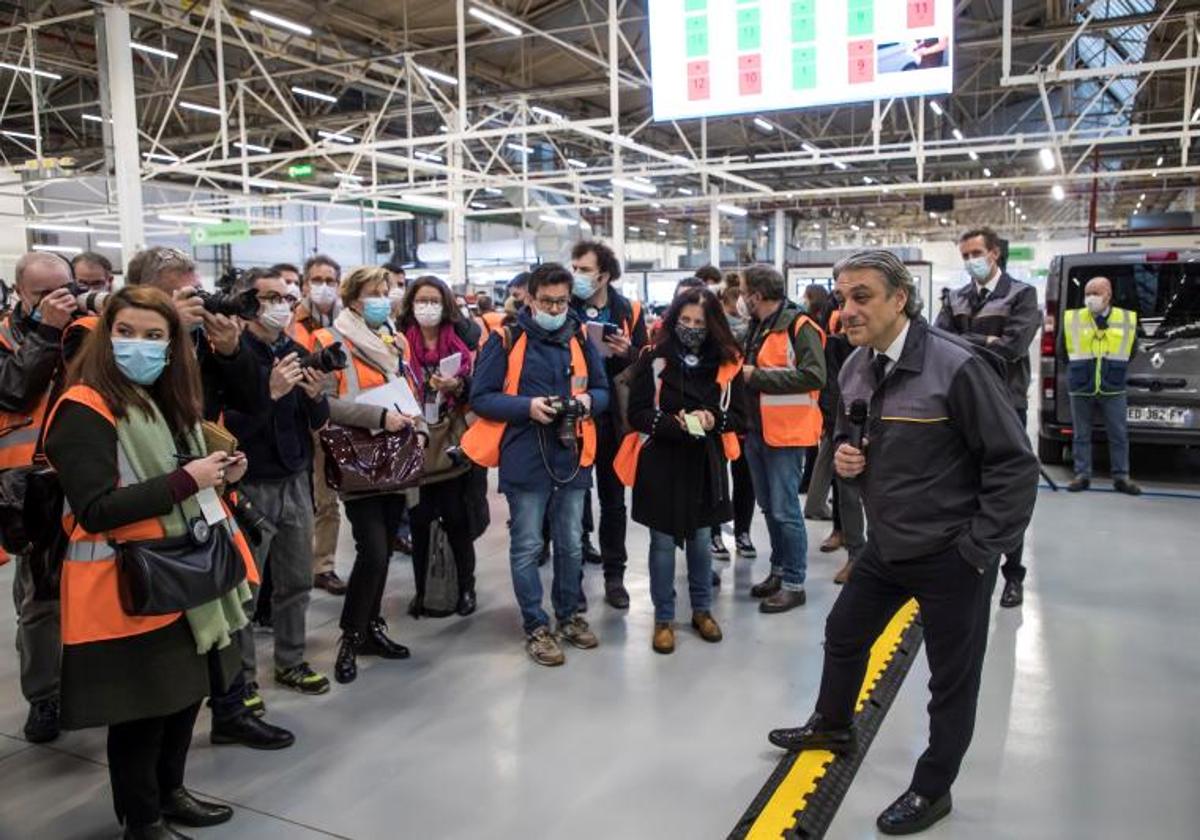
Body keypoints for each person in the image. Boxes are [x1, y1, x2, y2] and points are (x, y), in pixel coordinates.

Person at [767, 251, 1038, 837]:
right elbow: (851, 438)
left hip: (952, 554)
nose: (847, 310)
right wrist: (848, 459)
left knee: (950, 680)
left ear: (900, 299)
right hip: (889, 546)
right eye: (842, 297)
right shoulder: (855, 368)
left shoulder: (957, 366)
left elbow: (1014, 466)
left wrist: (978, 548)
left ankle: (933, 788)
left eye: (861, 296)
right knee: (843, 635)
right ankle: (834, 723)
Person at [44, 285, 261, 840]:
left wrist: (219, 475)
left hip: (185, 573)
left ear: (171, 346)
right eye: (126, 332)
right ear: (105, 334)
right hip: (127, 585)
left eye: (153, 336)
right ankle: (142, 821)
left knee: (183, 699)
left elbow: (183, 474)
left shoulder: (169, 401)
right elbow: (95, 510)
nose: (137, 345)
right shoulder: (83, 407)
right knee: (142, 715)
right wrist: (188, 480)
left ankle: (172, 793)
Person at [465, 262, 609, 667]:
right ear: (529, 298)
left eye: (562, 301)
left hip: (573, 455)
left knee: (570, 544)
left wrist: (587, 404)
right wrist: (527, 407)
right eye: (547, 301)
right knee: (527, 546)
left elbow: (603, 391)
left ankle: (569, 616)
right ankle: (536, 625)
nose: (555, 307)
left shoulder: (579, 336)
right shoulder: (506, 338)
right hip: (525, 456)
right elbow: (482, 397)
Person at [223, 268, 332, 699]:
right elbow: (222, 427)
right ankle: (242, 680)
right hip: (250, 483)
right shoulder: (230, 356)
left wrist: (315, 396)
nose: (280, 306)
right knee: (245, 590)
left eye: (287, 297)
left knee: (296, 581)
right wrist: (267, 393)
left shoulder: (295, 349)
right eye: (269, 297)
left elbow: (318, 422)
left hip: (294, 478)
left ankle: (290, 660)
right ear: (247, 303)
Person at [623, 287, 746, 654]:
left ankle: (702, 610)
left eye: (700, 322)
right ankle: (663, 617)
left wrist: (714, 419)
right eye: (685, 320)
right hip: (661, 460)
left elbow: (740, 416)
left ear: (713, 326)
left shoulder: (728, 362)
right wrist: (675, 424)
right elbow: (638, 413)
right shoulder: (654, 358)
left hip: (704, 463)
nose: (691, 328)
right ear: (674, 320)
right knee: (661, 543)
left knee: (700, 539)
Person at [311, 266, 418, 684]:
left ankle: (372, 628)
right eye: (374, 292)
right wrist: (379, 415)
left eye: (386, 291)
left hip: (393, 455)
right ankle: (351, 636)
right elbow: (322, 402)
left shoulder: (393, 340)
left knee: (384, 549)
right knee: (372, 549)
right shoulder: (327, 341)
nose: (383, 299)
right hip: (355, 457)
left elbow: (407, 387)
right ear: (353, 299)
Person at [936, 227, 1042, 607]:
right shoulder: (956, 297)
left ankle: (1013, 575)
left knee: (1008, 489)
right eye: (964, 255)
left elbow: (1012, 348)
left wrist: (969, 342)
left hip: (1006, 402)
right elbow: (938, 341)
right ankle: (970, 564)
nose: (970, 261)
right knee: (967, 485)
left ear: (995, 253)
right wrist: (988, 342)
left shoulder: (1022, 294)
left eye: (976, 253)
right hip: (962, 404)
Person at [0, 252, 77, 744]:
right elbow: (14, 393)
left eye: (63, 289)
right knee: (41, 599)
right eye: (41, 294)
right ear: (19, 293)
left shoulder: (84, 334)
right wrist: (48, 332)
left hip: (84, 479)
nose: (55, 301)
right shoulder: (7, 338)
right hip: (26, 488)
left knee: (90, 586)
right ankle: (45, 696)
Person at [739, 264, 827, 614]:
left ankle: (794, 582)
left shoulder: (799, 326)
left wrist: (756, 376)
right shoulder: (758, 327)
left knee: (786, 510)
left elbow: (815, 375)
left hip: (786, 434)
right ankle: (778, 570)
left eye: (744, 290)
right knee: (770, 508)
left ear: (757, 295)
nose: (742, 297)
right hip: (757, 431)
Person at [398, 276, 484, 618]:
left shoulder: (461, 341)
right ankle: (422, 591)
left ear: (445, 304)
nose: (428, 307)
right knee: (419, 522)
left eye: (434, 300)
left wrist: (458, 385)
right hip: (414, 441)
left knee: (457, 519)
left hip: (453, 441)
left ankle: (466, 587)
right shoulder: (400, 343)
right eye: (422, 300)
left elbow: (481, 388)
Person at [569, 240, 647, 609]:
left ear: (604, 274)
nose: (577, 276)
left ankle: (615, 576)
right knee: (573, 497)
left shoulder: (629, 309)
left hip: (615, 418)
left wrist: (627, 352)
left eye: (583, 269)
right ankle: (574, 572)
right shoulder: (565, 307)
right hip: (576, 413)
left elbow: (649, 362)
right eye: (575, 268)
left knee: (613, 500)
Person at [291, 255, 348, 595]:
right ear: (304, 285)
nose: (323, 286)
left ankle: (322, 565)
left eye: (329, 279)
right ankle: (293, 568)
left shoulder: (344, 324)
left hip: (329, 416)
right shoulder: (289, 321)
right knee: (297, 500)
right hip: (293, 418)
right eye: (316, 279)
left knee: (327, 499)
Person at [1063, 276, 1141, 496]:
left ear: (1108, 294)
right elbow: (1062, 350)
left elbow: (1131, 349)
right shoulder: (1073, 319)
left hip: (1113, 385)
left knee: (1118, 434)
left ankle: (1121, 477)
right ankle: (1082, 475)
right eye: (1088, 293)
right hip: (1081, 384)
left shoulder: (1125, 319)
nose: (1091, 298)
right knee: (1081, 434)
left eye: (1096, 293)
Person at [713, 284, 756, 560]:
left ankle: (743, 533)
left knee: (745, 479)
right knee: (716, 479)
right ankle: (714, 532)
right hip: (715, 416)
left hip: (744, 414)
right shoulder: (714, 335)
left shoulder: (757, 331)